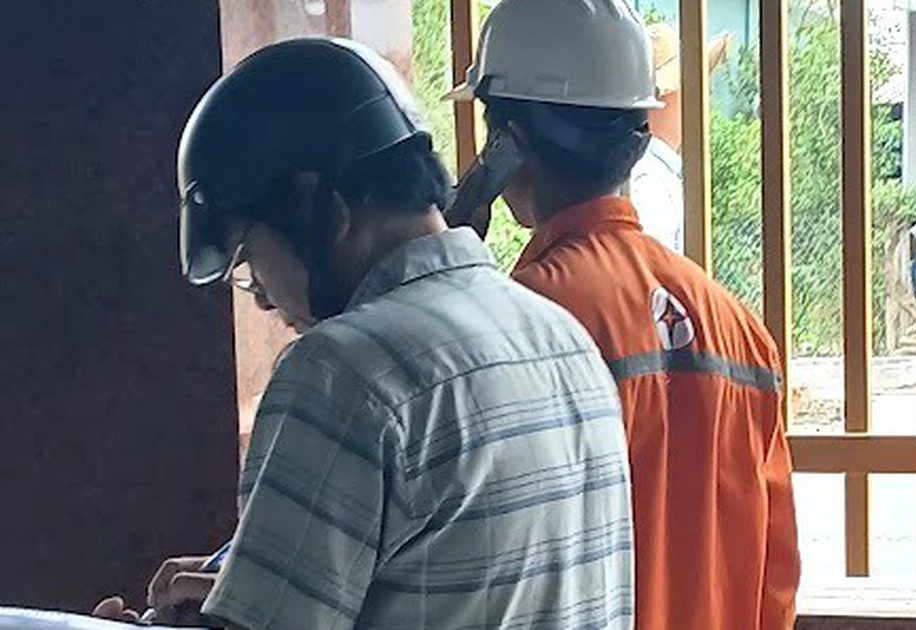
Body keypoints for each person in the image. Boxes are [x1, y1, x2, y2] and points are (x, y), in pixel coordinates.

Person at [94, 38, 634, 629]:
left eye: (249, 258)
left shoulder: (343, 372)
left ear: (316, 206)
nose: (266, 298)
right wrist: (252, 589)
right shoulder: (561, 341)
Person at [449, 1, 800, 628]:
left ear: (506, 146)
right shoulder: (740, 330)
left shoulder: (523, 324)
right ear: (636, 138)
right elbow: (777, 581)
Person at [628, 23, 731, 253]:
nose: (704, 96)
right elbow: (652, 270)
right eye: (691, 85)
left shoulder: (650, 170)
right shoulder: (650, 180)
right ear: (663, 97)